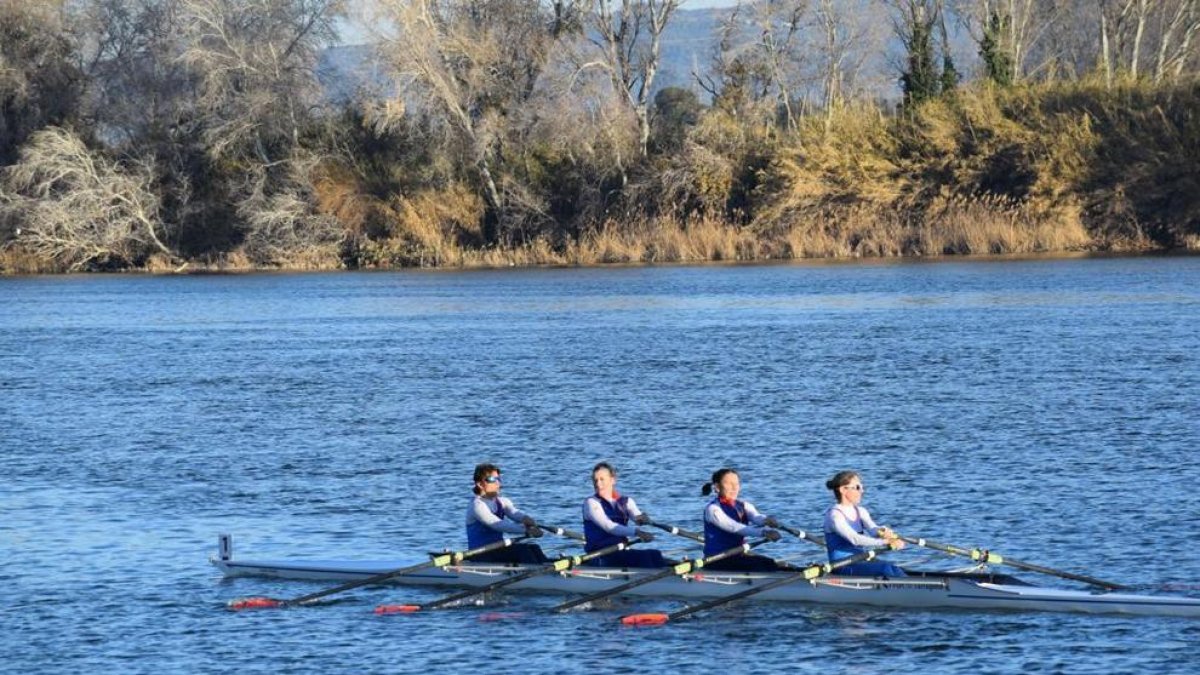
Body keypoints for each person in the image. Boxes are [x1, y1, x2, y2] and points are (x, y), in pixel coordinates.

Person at [581, 462, 667, 568]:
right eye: (595, 480)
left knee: (655, 554)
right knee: (645, 558)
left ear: (613, 480)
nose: (598, 484)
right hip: (599, 556)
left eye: (602, 479)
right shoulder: (591, 503)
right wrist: (637, 532)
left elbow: (637, 518)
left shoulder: (626, 502)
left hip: (619, 552)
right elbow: (609, 527)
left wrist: (643, 519)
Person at [823, 470, 906, 577]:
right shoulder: (834, 516)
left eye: (862, 487)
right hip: (841, 566)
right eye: (857, 487)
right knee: (884, 568)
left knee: (894, 568)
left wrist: (883, 531)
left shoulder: (860, 511)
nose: (862, 491)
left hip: (860, 561)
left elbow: (873, 530)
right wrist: (885, 542)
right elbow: (855, 539)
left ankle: (913, 589)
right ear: (843, 489)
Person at [701, 468, 787, 572]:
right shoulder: (713, 509)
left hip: (737, 556)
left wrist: (767, 520)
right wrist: (763, 532)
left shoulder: (744, 505)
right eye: (729, 484)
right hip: (716, 560)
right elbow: (734, 527)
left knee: (775, 564)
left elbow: (756, 517)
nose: (734, 488)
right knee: (766, 565)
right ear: (717, 487)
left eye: (736, 484)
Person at [465, 463, 550, 565]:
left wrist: (527, 519)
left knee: (533, 548)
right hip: (479, 554)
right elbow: (498, 524)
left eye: (498, 479)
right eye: (492, 480)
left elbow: (515, 513)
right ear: (479, 484)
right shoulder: (477, 505)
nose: (498, 483)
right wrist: (526, 530)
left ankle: (550, 571)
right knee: (522, 551)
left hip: (497, 550)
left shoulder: (502, 501)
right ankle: (538, 577)